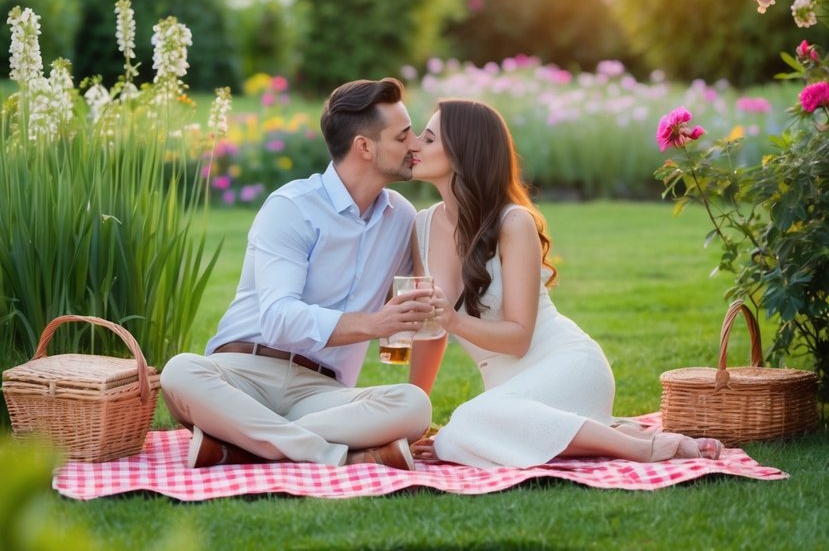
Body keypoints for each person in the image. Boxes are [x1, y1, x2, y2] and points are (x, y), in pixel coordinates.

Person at [407, 98, 723, 467]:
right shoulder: (422, 226)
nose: (414, 145)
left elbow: (520, 338)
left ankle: (641, 448)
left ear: (463, 153)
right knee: (461, 431)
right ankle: (612, 433)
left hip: (566, 366)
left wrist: (454, 320)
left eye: (428, 139)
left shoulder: (513, 223)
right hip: (510, 393)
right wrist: (415, 417)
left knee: (464, 427)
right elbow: (429, 333)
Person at [160, 77, 434, 471]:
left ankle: (243, 444)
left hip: (322, 392)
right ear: (364, 147)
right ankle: (334, 453)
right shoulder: (292, 208)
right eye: (403, 135)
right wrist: (373, 324)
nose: (414, 145)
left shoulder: (401, 217)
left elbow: (421, 307)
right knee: (180, 372)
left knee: (413, 405)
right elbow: (277, 320)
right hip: (244, 375)